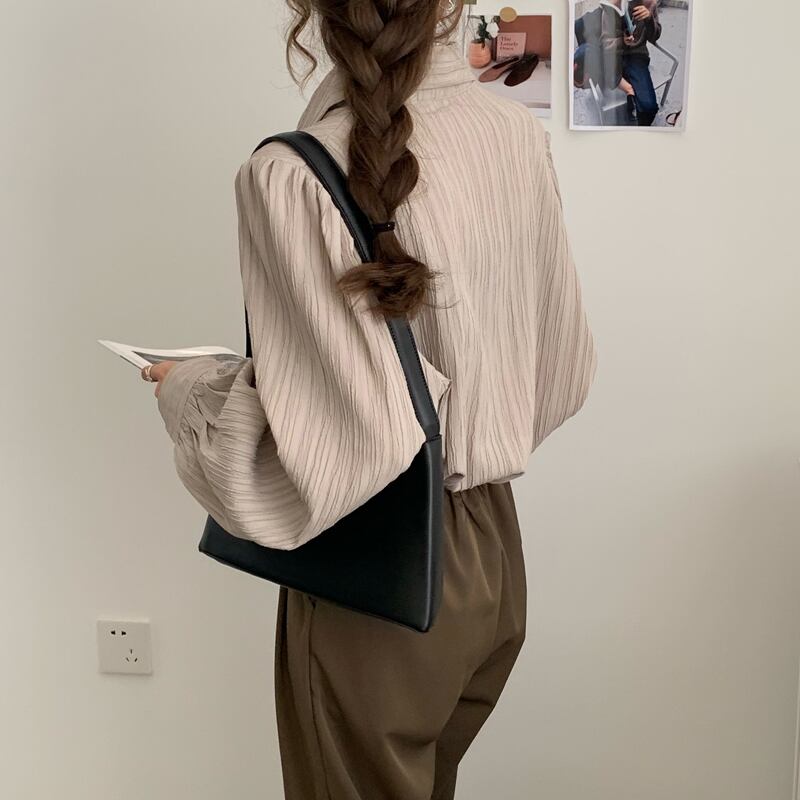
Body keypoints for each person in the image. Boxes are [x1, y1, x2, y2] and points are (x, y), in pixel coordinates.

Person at [142, 0, 597, 795]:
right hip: (493, 558)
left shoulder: (292, 173)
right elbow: (561, 369)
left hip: (382, 576)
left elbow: (330, 454)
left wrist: (186, 391)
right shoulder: (512, 132)